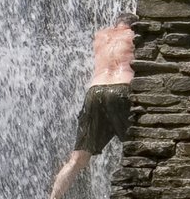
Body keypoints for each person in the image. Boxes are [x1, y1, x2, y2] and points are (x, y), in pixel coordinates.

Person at [50, 12, 139, 199]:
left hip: (94, 91)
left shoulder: (101, 36)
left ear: (116, 24)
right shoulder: (135, 36)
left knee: (76, 159)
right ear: (133, 26)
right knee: (139, 149)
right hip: (122, 89)